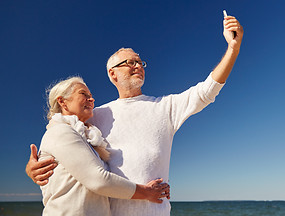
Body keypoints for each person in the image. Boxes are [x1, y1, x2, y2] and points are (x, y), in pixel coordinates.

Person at [26, 14, 244, 216]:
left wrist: (233, 48)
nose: (137, 65)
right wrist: (33, 169)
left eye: (140, 62)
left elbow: (207, 90)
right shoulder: (94, 116)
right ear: (112, 74)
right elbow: (61, 142)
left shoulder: (165, 107)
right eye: (129, 62)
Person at [36, 76, 170, 215]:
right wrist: (147, 193)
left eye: (91, 96)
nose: (92, 99)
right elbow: (98, 180)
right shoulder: (60, 131)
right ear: (62, 102)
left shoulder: (87, 137)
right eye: (84, 94)